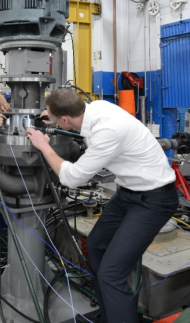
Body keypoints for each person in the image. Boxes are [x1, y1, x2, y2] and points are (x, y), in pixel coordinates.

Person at [27, 88, 178, 323]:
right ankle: (112, 315)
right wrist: (52, 113)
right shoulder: (95, 108)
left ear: (65, 119)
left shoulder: (106, 131)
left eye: (56, 119)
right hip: (129, 192)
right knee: (97, 244)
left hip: (154, 200)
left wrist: (44, 146)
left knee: (111, 273)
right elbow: (70, 120)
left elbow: (72, 178)